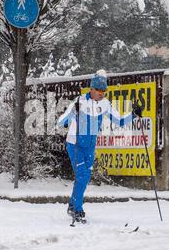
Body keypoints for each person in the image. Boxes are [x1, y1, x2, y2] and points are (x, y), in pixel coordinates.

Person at [56, 70, 143, 222]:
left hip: (90, 146)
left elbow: (120, 121)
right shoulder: (80, 101)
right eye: (99, 90)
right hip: (75, 144)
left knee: (85, 177)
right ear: (91, 88)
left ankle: (72, 205)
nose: (101, 93)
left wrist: (133, 114)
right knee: (82, 176)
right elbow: (60, 123)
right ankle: (77, 209)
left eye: (104, 90)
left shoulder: (105, 104)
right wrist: (73, 113)